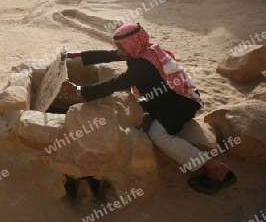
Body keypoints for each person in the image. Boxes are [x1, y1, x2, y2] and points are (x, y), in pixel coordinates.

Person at [59, 22, 237, 195]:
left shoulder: (143, 65)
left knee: (157, 135)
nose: (119, 52)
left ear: (132, 45)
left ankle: (215, 169)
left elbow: (117, 83)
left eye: (122, 48)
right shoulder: (144, 50)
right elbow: (111, 54)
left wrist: (79, 90)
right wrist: (79, 55)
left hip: (181, 103)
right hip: (167, 98)